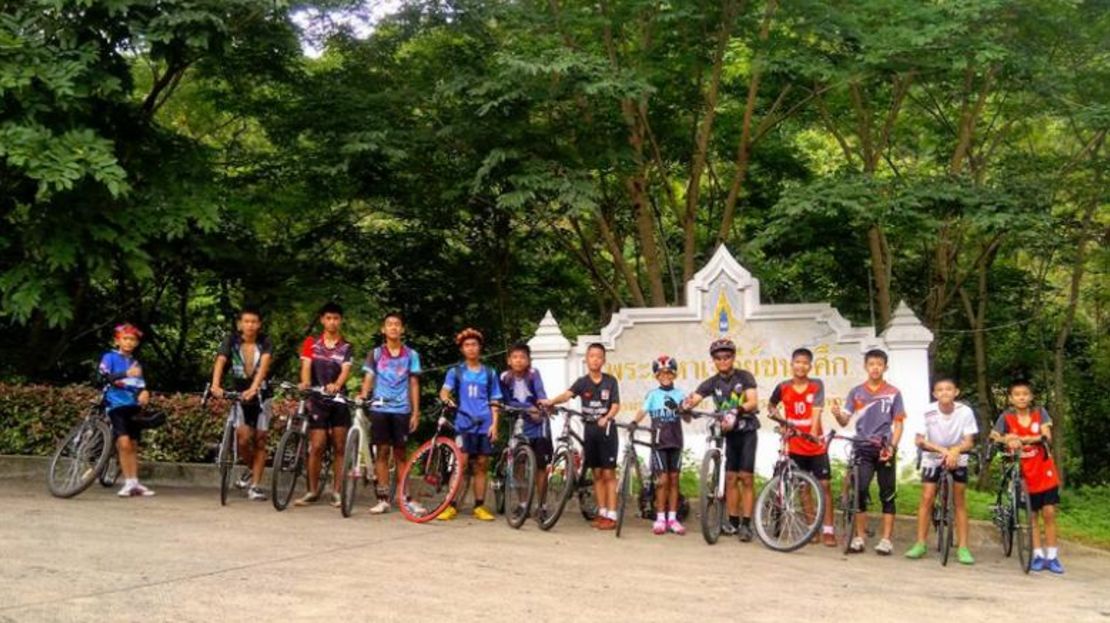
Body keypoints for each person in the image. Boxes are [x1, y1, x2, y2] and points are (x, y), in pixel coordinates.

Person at [681, 338, 759, 541]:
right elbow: (695, 397)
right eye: (718, 358)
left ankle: (747, 524)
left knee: (746, 478)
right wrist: (686, 405)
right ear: (713, 360)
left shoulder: (745, 377)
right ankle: (732, 522)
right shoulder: (712, 382)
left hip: (747, 431)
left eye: (727, 357)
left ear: (733, 357)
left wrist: (736, 410)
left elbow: (752, 401)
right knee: (731, 478)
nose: (723, 361)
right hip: (728, 434)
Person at [539, 343, 621, 530]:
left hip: (607, 431)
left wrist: (607, 417)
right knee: (597, 473)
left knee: (609, 473)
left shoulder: (610, 381)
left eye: (599, 356)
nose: (595, 359)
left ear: (603, 360)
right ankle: (602, 513)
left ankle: (612, 514)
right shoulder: (582, 382)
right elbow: (568, 395)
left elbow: (616, 405)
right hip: (590, 431)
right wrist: (551, 401)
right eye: (591, 356)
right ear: (586, 359)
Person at [831, 349, 905, 555]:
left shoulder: (894, 393)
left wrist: (892, 447)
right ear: (865, 366)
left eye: (879, 364)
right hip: (862, 447)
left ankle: (886, 539)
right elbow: (845, 420)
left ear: (885, 367)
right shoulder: (856, 392)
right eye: (871, 364)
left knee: (887, 494)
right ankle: (860, 536)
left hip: (884, 449)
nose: (875, 368)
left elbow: (898, 424)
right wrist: (837, 415)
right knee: (859, 492)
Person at [990, 379, 1064, 574]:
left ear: (1030, 397)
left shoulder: (1040, 413)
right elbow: (995, 436)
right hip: (1023, 471)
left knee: (1049, 512)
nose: (1021, 397)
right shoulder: (1006, 417)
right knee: (1031, 515)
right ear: (1011, 399)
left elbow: (1046, 434)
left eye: (1025, 394)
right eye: (1017, 394)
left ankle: (1052, 555)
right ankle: (1037, 554)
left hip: (1043, 468)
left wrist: (1023, 439)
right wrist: (1008, 438)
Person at [905, 376, 978, 564]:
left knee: (959, 500)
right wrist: (942, 451)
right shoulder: (927, 411)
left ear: (956, 392)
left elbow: (969, 441)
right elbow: (919, 440)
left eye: (949, 389)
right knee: (927, 496)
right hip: (933, 454)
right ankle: (920, 543)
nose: (945, 392)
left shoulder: (965, 412)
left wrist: (954, 451)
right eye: (940, 390)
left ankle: (963, 547)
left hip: (957, 454)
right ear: (935, 394)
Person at [767, 348, 836, 547]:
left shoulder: (816, 385)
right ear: (792, 364)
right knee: (803, 486)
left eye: (805, 363)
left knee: (824, 486)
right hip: (794, 445)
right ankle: (811, 528)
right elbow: (771, 407)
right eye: (798, 362)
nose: (801, 366)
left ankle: (829, 529)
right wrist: (781, 422)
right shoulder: (783, 387)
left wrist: (813, 432)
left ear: (810, 366)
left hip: (816, 445)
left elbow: (816, 410)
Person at [358, 312, 422, 515]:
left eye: (397, 324)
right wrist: (363, 394)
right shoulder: (375, 353)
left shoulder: (411, 355)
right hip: (379, 408)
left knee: (401, 453)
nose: (393, 327)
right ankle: (383, 498)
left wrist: (415, 412)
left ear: (402, 329)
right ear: (383, 330)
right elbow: (369, 376)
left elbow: (414, 383)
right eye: (389, 324)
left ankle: (406, 498)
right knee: (382, 452)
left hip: (401, 409)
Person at [209, 306, 273, 501]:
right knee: (243, 439)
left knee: (260, 439)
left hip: (262, 395)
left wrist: (254, 388)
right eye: (246, 322)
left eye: (254, 322)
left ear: (259, 325)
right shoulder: (231, 341)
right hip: (239, 394)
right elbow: (221, 360)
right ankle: (251, 469)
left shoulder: (265, 342)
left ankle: (255, 485)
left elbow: (264, 366)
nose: (250, 326)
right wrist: (215, 385)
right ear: (240, 324)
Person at [438, 327, 502, 521]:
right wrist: (447, 399)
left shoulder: (490, 373)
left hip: (484, 423)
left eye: (474, 344)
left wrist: (495, 425)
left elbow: (495, 400)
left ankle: (479, 505)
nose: (471, 348)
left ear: (480, 347)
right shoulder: (456, 372)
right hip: (463, 424)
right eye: (467, 345)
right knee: (461, 463)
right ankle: (451, 504)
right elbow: (444, 392)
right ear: (462, 349)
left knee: (482, 465)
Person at [295, 302, 353, 508]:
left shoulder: (346, 346)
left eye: (336, 318)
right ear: (322, 320)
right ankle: (312, 490)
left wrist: (337, 385)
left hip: (338, 400)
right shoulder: (311, 343)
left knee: (339, 446)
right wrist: (305, 383)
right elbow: (306, 367)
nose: (332, 322)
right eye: (328, 318)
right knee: (317, 446)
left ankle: (337, 491)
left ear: (341, 321)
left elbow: (345, 371)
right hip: (317, 399)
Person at [98, 323, 155, 497]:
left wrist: (144, 392)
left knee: (133, 445)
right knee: (123, 443)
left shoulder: (136, 363)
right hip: (115, 405)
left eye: (132, 340)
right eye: (125, 339)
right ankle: (128, 482)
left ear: (136, 343)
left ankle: (133, 482)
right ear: (117, 341)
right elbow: (103, 376)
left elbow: (139, 385)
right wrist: (126, 374)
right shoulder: (109, 357)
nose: (129, 342)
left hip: (133, 407)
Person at [634, 355, 689, 535]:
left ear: (674, 375)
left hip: (676, 442)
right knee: (662, 481)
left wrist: (686, 410)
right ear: (656, 376)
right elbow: (643, 410)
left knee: (674, 480)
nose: (665, 376)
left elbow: (687, 418)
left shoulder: (680, 394)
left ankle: (672, 518)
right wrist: (634, 423)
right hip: (659, 442)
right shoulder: (653, 395)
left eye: (668, 373)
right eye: (661, 373)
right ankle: (659, 518)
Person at [498, 342, 551, 517]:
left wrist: (542, 404)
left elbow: (540, 392)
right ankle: (522, 504)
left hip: (538, 424)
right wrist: (527, 408)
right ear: (509, 360)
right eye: (515, 357)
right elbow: (505, 401)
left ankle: (542, 506)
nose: (519, 360)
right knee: (517, 465)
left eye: (522, 357)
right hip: (519, 423)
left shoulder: (534, 374)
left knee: (541, 466)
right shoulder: (504, 377)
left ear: (528, 360)